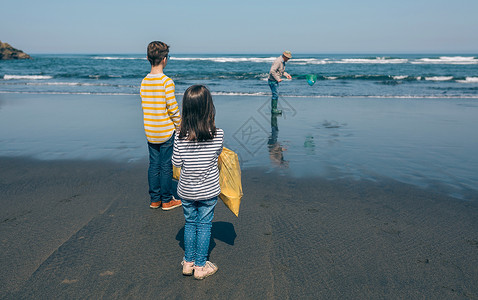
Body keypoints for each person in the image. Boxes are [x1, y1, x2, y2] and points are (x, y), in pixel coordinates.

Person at [172, 85, 224, 280]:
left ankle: (188, 262)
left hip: (186, 189)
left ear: (186, 109)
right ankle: (200, 267)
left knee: (190, 222)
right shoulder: (218, 134)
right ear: (209, 108)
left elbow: (176, 162)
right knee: (204, 225)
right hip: (209, 190)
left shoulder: (179, 136)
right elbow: (217, 156)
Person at [140, 41, 182, 210]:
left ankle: (154, 199)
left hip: (150, 131)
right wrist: (180, 125)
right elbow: (172, 108)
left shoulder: (144, 82)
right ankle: (166, 199)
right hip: (165, 131)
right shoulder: (167, 82)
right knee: (166, 166)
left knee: (153, 165)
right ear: (165, 59)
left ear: (147, 58)